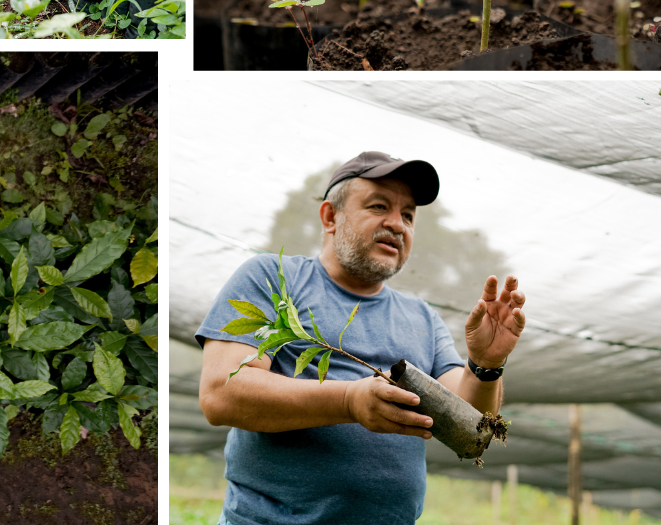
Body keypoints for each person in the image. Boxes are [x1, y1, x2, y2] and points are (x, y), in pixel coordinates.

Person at [196, 151, 528, 525]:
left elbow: (471, 430)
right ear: (330, 216)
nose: (397, 224)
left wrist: (486, 364)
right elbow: (221, 392)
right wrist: (350, 401)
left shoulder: (422, 319)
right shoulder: (272, 279)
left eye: (408, 215)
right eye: (378, 206)